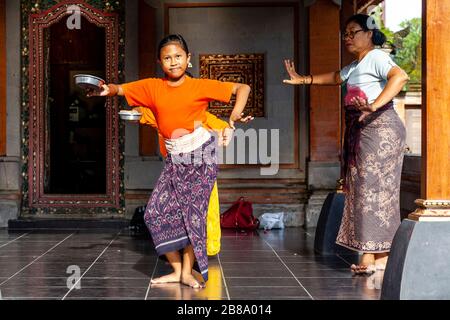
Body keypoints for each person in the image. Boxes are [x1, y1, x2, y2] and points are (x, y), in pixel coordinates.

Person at [96, 34, 252, 288]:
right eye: (167, 58)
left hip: (202, 155)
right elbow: (121, 89)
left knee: (192, 216)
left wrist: (234, 116)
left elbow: (242, 88)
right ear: (160, 62)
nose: (173, 62)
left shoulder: (199, 86)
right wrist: (107, 89)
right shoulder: (153, 86)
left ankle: (188, 272)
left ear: (188, 59)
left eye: (178, 56)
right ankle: (178, 270)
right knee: (155, 212)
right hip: (174, 157)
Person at [283, 14, 409, 275]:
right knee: (364, 192)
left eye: (353, 32)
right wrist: (303, 79)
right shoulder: (356, 65)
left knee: (374, 192)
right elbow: (335, 77)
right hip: (362, 130)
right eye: (345, 33)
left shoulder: (377, 57)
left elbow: (400, 77)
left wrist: (375, 104)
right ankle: (376, 255)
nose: (347, 37)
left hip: (380, 129)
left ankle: (375, 256)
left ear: (370, 34)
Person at [134, 106, 241, 257]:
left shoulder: (199, 115)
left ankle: (208, 248)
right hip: (177, 168)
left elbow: (223, 127)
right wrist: (134, 112)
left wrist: (230, 125)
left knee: (208, 209)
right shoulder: (164, 114)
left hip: (202, 168)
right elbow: (143, 112)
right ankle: (180, 246)